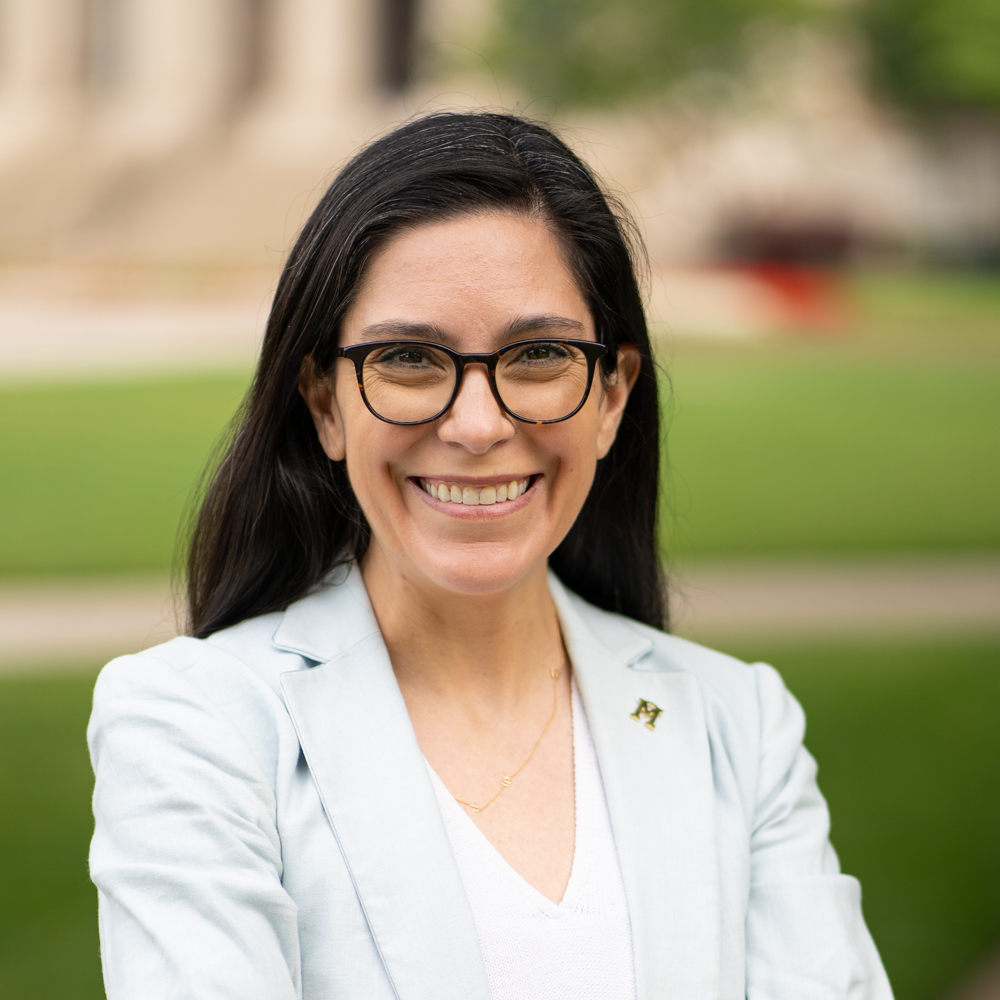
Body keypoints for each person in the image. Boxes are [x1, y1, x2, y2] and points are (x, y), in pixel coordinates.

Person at [88, 111, 892, 1000]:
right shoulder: (198, 727)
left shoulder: (737, 726)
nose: (477, 425)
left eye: (539, 354)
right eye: (408, 357)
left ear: (612, 397)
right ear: (323, 404)